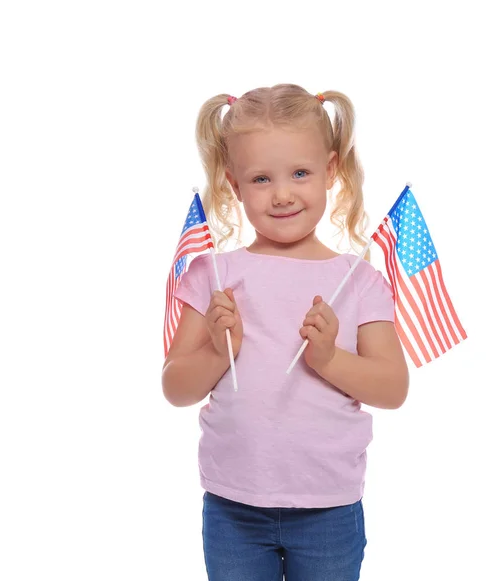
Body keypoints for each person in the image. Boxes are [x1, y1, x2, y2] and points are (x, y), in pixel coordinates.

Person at [162, 83, 409, 581]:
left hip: (329, 508)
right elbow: (175, 388)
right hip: (234, 507)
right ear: (234, 184)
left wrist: (330, 359)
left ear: (331, 170)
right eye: (260, 178)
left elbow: (394, 388)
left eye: (300, 173)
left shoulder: (358, 279)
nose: (281, 194)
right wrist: (217, 349)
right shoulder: (211, 275)